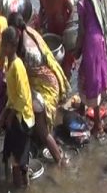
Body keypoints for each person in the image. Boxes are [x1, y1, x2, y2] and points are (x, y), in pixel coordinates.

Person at [7, 13, 69, 165]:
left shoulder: (28, 52)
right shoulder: (29, 30)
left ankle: (59, 161)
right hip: (47, 80)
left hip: (44, 86)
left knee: (42, 131)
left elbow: (22, 84)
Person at [72, 0, 107, 137]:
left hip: (90, 43)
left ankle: (98, 125)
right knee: (94, 76)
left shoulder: (82, 2)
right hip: (100, 40)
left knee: (91, 79)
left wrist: (76, 50)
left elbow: (81, 30)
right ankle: (82, 108)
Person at [0, 27, 34, 187]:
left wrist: (11, 114)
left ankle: (20, 191)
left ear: (13, 46)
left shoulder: (17, 66)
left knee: (18, 160)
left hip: (23, 119)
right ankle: (20, 187)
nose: (2, 48)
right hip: (16, 115)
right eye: (2, 45)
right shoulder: (10, 64)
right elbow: (13, 95)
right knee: (15, 156)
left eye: (5, 45)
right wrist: (4, 113)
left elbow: (22, 96)